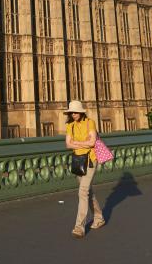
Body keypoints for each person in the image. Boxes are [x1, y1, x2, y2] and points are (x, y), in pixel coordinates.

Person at [64, 100, 106, 238]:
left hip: (91, 160)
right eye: (71, 112)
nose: (73, 114)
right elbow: (68, 145)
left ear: (81, 112)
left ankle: (79, 227)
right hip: (78, 161)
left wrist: (76, 143)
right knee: (88, 192)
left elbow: (92, 142)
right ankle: (99, 217)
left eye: (75, 112)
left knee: (82, 191)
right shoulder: (70, 125)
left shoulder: (90, 123)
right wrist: (83, 143)